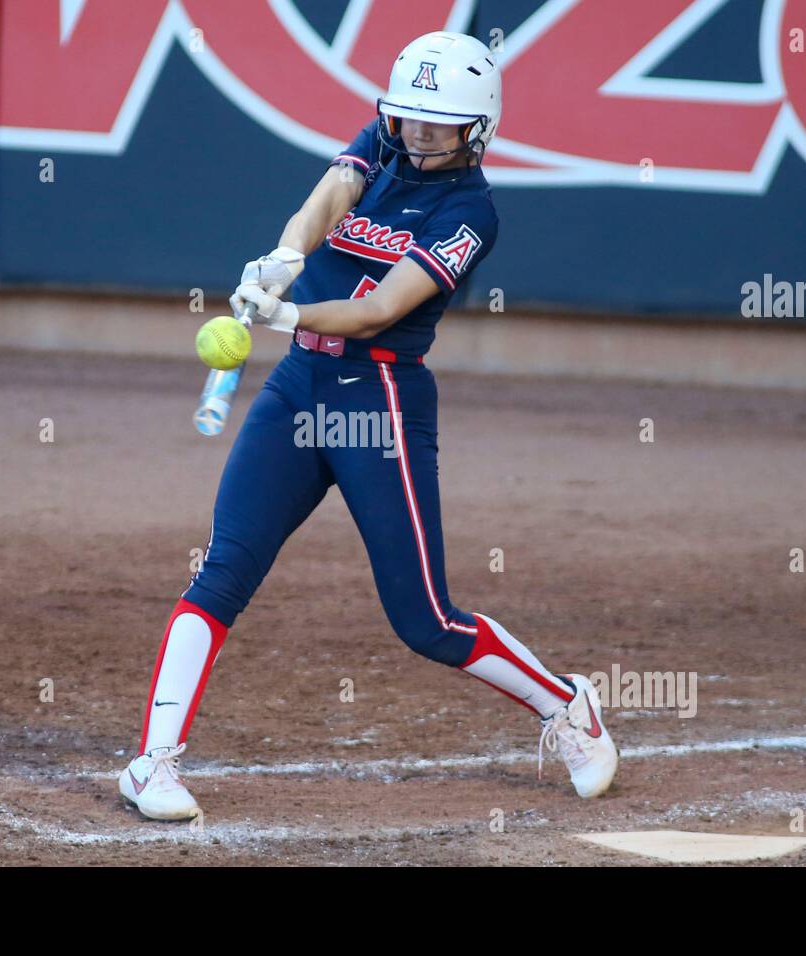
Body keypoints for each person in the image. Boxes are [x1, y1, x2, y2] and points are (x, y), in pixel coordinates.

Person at [119, 31, 618, 821]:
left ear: (475, 127)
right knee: (223, 571)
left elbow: (382, 308)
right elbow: (330, 197)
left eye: (435, 121)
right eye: (409, 114)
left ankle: (567, 706)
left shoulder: (470, 212)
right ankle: (152, 764)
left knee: (425, 619)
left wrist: (284, 311)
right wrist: (286, 254)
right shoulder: (386, 139)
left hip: (377, 398)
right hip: (297, 389)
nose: (416, 131)